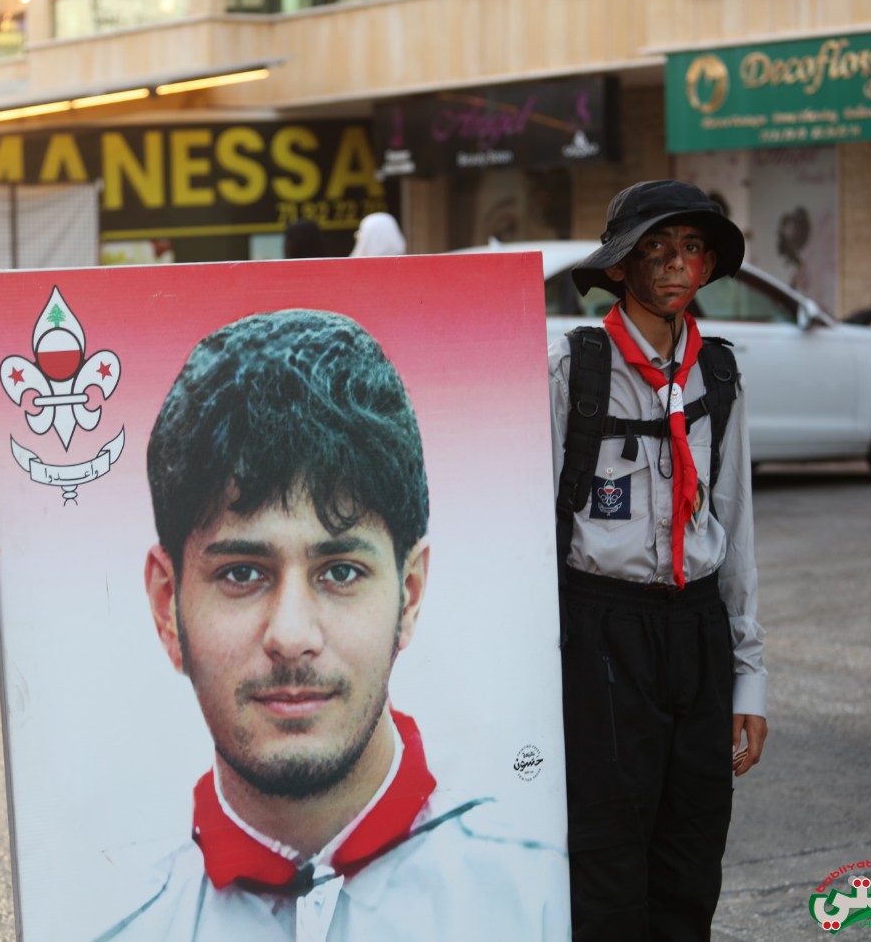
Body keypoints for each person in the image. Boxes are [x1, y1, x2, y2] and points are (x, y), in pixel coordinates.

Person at [99, 309, 568, 940]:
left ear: (410, 593)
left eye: (341, 571)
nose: (292, 636)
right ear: (166, 604)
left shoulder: (537, 901)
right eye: (242, 573)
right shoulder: (120, 929)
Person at [549, 180, 768, 940]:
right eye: (656, 248)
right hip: (603, 633)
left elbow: (734, 526)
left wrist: (749, 675)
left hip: (697, 631)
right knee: (606, 861)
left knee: (691, 858)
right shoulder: (572, 370)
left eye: (691, 248)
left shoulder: (719, 375)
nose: (677, 264)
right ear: (619, 266)